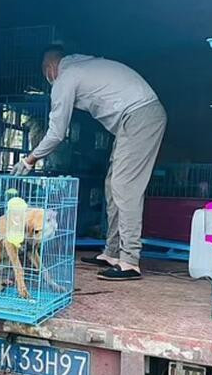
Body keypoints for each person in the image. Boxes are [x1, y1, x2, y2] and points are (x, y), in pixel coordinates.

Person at [11, 45, 166, 281]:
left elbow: (56, 133)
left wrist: (30, 159)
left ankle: (130, 261)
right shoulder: (78, 63)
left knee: (124, 187)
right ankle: (112, 253)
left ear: (50, 67)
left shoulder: (65, 77)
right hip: (134, 116)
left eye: (45, 72)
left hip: (140, 116)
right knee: (111, 185)